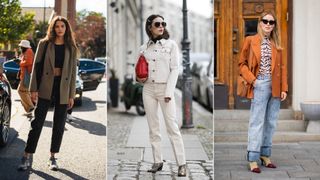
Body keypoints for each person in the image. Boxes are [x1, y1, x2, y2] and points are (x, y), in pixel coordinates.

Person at [18, 16, 78, 171]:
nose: (59, 29)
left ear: (66, 29)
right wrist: (33, 89)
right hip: (45, 86)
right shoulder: (44, 44)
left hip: (63, 88)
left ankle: (52, 157)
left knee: (59, 125)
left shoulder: (71, 47)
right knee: (37, 123)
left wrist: (72, 94)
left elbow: (73, 72)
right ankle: (26, 155)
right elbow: (36, 66)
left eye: (62, 26)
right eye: (57, 26)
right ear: (53, 27)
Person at [136, 14, 187, 177]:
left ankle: (182, 163)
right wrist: (139, 77)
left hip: (165, 88)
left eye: (163, 23)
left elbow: (175, 69)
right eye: (157, 23)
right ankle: (158, 161)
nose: (161, 26)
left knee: (172, 127)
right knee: (153, 127)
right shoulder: (143, 48)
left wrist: (169, 92)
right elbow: (137, 71)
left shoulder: (171, 45)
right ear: (150, 27)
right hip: (148, 89)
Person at [238, 11, 288, 173]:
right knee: (257, 120)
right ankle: (253, 157)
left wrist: (284, 88)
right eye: (265, 21)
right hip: (260, 83)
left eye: (271, 22)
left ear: (274, 26)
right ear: (259, 23)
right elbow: (242, 64)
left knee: (271, 121)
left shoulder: (277, 44)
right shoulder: (250, 40)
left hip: (276, 85)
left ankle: (265, 155)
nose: (268, 24)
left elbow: (283, 68)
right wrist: (254, 81)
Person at [17, 40, 35, 116]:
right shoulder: (27, 51)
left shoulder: (29, 51)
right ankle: (29, 111)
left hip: (27, 74)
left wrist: (20, 62)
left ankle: (30, 107)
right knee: (26, 92)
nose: (20, 48)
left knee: (21, 90)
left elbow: (29, 62)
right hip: (25, 74)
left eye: (21, 46)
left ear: (24, 46)